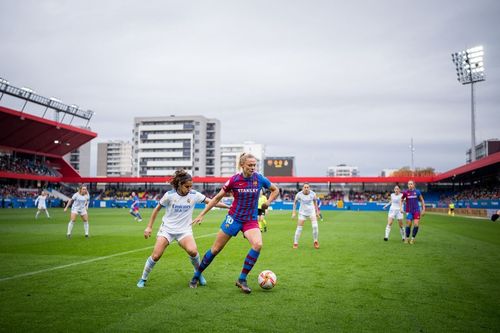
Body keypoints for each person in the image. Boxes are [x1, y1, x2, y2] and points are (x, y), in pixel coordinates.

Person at [188, 153, 279, 293]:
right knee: (215, 249)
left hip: (250, 220)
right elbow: (217, 198)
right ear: (242, 165)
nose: (253, 167)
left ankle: (242, 279)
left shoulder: (259, 178)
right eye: (250, 165)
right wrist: (202, 214)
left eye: (254, 165)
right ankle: (196, 275)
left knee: (258, 245)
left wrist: (267, 202)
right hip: (234, 219)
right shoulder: (234, 180)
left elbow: (275, 190)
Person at [137, 170, 229, 288]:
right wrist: (149, 227)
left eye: (191, 186)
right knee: (156, 256)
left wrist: (228, 206)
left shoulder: (194, 195)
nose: (189, 189)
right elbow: (156, 209)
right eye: (187, 186)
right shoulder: (169, 195)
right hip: (167, 230)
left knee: (193, 251)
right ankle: (143, 278)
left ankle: (198, 274)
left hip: (184, 231)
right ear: (179, 184)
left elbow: (212, 202)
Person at [292, 183, 320, 249]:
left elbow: (315, 203)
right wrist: (294, 212)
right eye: (305, 187)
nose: (306, 188)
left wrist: (317, 212)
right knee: (299, 228)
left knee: (315, 226)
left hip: (311, 212)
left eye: (307, 187)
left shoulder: (313, 194)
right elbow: (295, 203)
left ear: (309, 188)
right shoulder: (299, 194)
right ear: (303, 188)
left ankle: (315, 241)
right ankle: (295, 243)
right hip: (302, 213)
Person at [402, 180, 425, 244]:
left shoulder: (417, 192)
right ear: (407, 185)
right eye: (409, 184)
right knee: (408, 224)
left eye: (411, 184)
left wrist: (423, 209)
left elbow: (422, 200)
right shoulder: (405, 192)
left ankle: (412, 239)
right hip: (409, 211)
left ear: (414, 185)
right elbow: (401, 200)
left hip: (416, 211)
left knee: (416, 224)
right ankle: (407, 238)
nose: (410, 185)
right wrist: (401, 208)